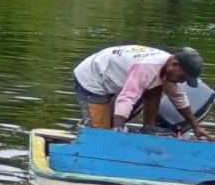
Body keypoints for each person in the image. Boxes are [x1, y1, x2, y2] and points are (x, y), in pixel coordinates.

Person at [73, 44, 210, 137]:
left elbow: (178, 98)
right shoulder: (148, 66)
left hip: (115, 79)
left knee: (155, 88)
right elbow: (127, 98)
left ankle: (148, 129)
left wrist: (196, 127)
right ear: (174, 65)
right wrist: (117, 131)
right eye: (182, 77)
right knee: (101, 134)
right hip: (93, 77)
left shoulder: (168, 69)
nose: (182, 81)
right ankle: (85, 129)